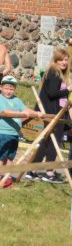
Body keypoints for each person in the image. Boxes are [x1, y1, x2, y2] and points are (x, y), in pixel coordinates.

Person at [27, 48, 70, 183]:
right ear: (55, 60)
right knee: (53, 142)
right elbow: (52, 94)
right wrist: (67, 90)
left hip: (55, 112)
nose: (64, 62)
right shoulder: (54, 73)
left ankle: (33, 170)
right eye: (61, 60)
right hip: (51, 113)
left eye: (66, 60)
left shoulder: (58, 73)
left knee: (46, 141)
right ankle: (49, 173)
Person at [0, 75, 41, 183]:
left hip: (14, 132)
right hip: (2, 132)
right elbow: (5, 112)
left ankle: (6, 176)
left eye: (11, 89)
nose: (9, 91)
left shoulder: (16, 100)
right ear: (1, 87)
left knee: (10, 157)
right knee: (1, 156)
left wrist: (36, 113)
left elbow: (26, 109)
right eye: (6, 88)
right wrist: (21, 114)